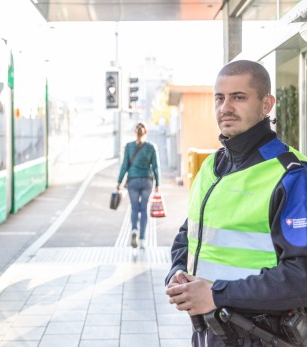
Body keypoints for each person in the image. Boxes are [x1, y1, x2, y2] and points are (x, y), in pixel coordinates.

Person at [165, 60, 307, 346]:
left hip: (263, 336)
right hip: (210, 331)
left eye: (238, 97)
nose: (225, 107)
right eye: (219, 97)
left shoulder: (292, 175)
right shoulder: (210, 167)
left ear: (266, 104)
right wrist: (178, 272)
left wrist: (217, 294)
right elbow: (189, 234)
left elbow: (301, 275)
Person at [117, 122, 160, 249]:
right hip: (147, 181)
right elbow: (156, 167)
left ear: (135, 132)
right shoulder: (151, 147)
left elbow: (125, 165)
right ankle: (142, 239)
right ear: (145, 132)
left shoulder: (129, 146)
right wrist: (158, 183)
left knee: (134, 208)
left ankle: (134, 229)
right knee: (144, 209)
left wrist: (119, 181)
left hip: (133, 181)